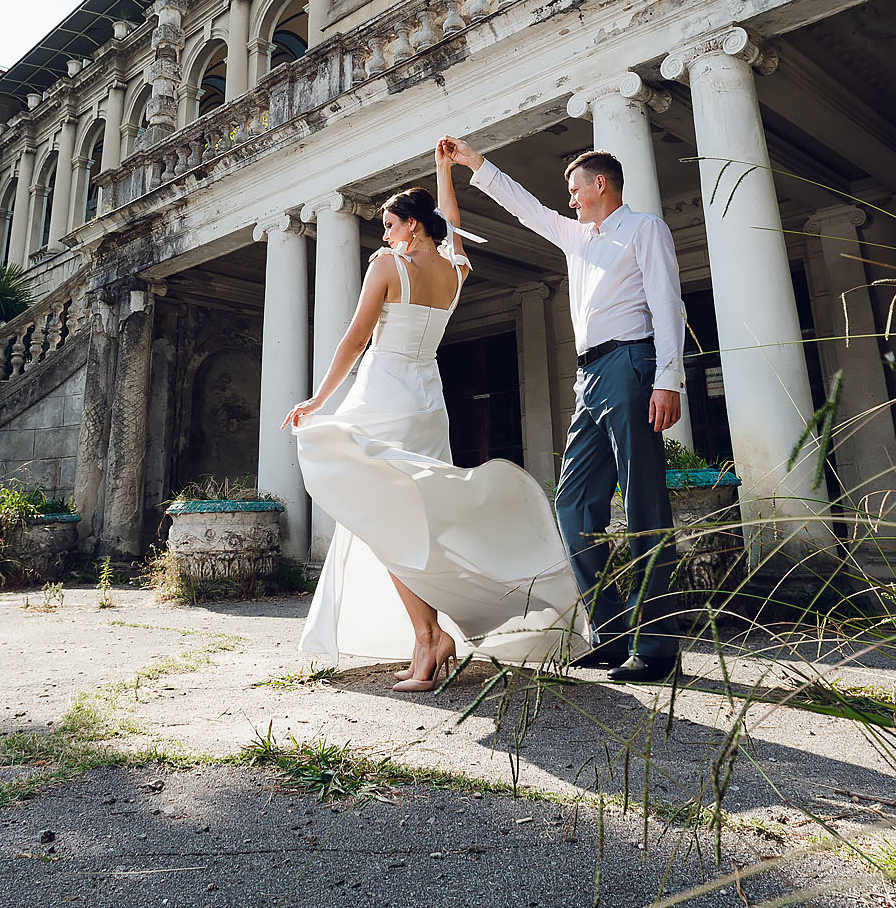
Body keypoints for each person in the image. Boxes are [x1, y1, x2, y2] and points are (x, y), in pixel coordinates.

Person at [283, 144, 582, 690]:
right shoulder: (455, 269)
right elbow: (453, 222)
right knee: (413, 521)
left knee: (383, 520)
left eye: (390, 224)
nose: (384, 234)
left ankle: (428, 639)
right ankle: (432, 634)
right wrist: (444, 171)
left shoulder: (387, 264)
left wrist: (319, 399)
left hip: (383, 398)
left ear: (414, 228)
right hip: (427, 401)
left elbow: (354, 339)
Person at [439, 136, 685, 684]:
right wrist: (476, 163)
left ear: (600, 184)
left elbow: (669, 304)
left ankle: (658, 642)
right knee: (573, 505)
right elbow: (524, 208)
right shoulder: (576, 237)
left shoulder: (645, 230)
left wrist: (669, 377)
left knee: (644, 502)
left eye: (574, 190)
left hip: (632, 362)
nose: (569, 200)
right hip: (590, 375)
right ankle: (613, 630)